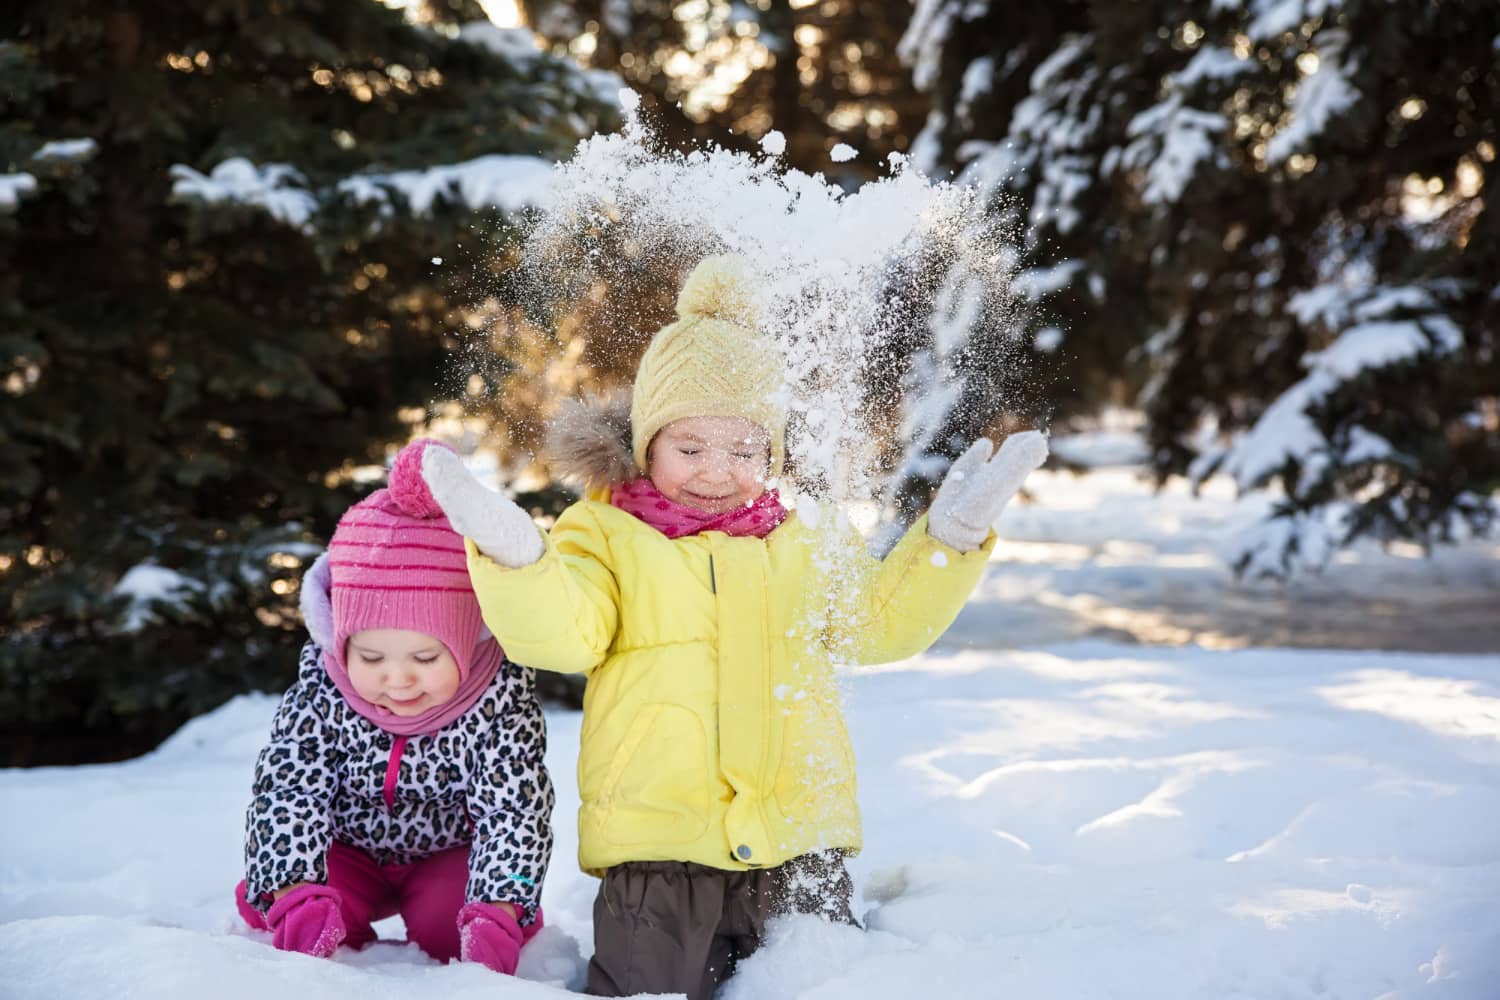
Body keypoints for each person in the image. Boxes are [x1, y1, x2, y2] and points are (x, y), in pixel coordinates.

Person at [420, 255, 1048, 999]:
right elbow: (563, 635)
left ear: (773, 452)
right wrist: (519, 561)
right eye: (690, 448)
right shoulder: (606, 534)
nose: (717, 470)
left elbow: (876, 628)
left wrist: (947, 543)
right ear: (647, 442)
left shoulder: (806, 538)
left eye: (745, 450)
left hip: (798, 843)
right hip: (658, 851)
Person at [234, 438, 554, 975]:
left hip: (446, 857)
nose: (397, 678)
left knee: (448, 927)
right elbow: (288, 794)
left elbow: (514, 815)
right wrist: (292, 888)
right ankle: (302, 900)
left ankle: (486, 915)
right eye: (372, 655)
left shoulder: (498, 703)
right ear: (338, 639)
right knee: (313, 900)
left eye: (426, 656)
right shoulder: (322, 694)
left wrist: (500, 908)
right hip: (349, 849)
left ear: (468, 637)